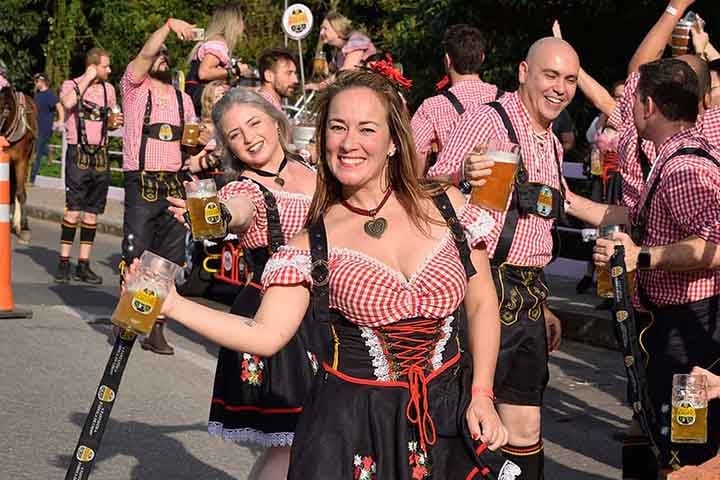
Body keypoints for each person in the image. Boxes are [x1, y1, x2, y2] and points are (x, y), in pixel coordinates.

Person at [129, 69, 517, 478]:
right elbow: (264, 333)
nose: (350, 143)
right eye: (337, 127)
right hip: (352, 428)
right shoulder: (312, 242)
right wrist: (174, 303)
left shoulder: (447, 205)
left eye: (366, 128)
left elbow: (481, 301)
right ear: (323, 139)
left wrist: (482, 393)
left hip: (447, 414)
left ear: (392, 141)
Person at [429, 37, 579, 479]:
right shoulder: (487, 121)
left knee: (525, 424)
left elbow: (548, 216)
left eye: (569, 79)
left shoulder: (549, 140)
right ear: (522, 72)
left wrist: (543, 302)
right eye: (550, 75)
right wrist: (461, 173)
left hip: (529, 293)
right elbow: (429, 188)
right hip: (484, 284)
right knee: (471, 420)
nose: (560, 88)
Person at [577, 58, 720, 472]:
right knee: (670, 435)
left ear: (650, 106)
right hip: (677, 328)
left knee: (685, 447)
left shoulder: (682, 168)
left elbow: (715, 242)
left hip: (687, 334)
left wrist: (641, 256)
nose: (630, 110)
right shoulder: (676, 155)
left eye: (635, 101)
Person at [119, 18, 198, 355]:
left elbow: (192, 146)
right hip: (143, 182)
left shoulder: (185, 100)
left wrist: (200, 144)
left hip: (174, 183)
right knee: (137, 255)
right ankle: (129, 322)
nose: (162, 56)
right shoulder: (134, 87)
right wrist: (168, 26)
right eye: (158, 53)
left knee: (168, 260)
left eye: (167, 54)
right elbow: (148, 51)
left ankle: (156, 329)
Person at [55, 48, 121, 285]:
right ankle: (63, 263)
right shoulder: (71, 84)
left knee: (92, 213)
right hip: (78, 154)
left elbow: (113, 118)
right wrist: (87, 77)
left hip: (100, 156)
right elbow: (69, 102)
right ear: (93, 66)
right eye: (106, 66)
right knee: (73, 210)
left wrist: (115, 122)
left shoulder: (109, 90)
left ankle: (83, 264)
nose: (110, 70)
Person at [411, 24, 503, 175]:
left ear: (448, 60)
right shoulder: (505, 100)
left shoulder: (432, 107)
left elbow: (415, 152)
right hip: (500, 191)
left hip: (454, 191)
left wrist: (418, 185)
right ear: (482, 58)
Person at [185, 2, 248, 114]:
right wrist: (235, 71)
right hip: (202, 96)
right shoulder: (218, 44)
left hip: (196, 95)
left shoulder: (213, 42)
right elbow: (204, 73)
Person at [304, 12, 376, 91]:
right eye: (321, 29)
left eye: (325, 28)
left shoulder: (356, 40)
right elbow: (335, 75)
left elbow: (347, 70)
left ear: (337, 29)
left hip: (372, 91)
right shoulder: (338, 52)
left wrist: (320, 86)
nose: (321, 32)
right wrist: (325, 72)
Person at [30, 73, 64, 185]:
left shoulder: (50, 95)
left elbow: (59, 107)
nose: (35, 83)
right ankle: (48, 151)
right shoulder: (37, 95)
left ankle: (31, 179)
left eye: (36, 81)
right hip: (35, 126)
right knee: (37, 147)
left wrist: (60, 121)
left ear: (42, 81)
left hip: (45, 127)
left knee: (37, 152)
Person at [256, 47, 299, 113]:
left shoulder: (270, 107)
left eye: (295, 73)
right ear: (269, 76)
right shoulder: (264, 110)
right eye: (289, 73)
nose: (295, 80)